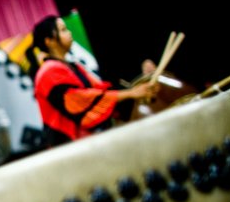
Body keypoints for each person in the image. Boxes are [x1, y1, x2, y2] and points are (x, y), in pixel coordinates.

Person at [27, 15, 158, 148]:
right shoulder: (48, 71)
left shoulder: (73, 66)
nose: (69, 33)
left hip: (85, 142)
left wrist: (138, 89)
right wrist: (131, 93)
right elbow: (80, 100)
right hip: (68, 146)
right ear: (49, 41)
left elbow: (101, 89)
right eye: (63, 30)